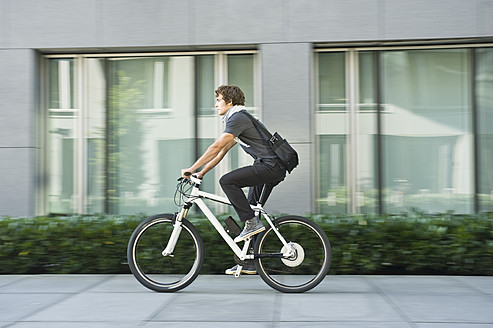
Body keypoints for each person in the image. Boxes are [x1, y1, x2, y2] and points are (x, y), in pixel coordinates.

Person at [181, 85, 287, 275]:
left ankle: (252, 225)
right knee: (249, 209)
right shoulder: (238, 120)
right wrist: (201, 174)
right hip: (271, 167)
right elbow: (221, 152)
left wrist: (191, 168)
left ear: (230, 102)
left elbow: (215, 146)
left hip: (269, 166)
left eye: (219, 100)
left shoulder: (238, 118)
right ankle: (249, 261)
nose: (215, 105)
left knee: (227, 181)